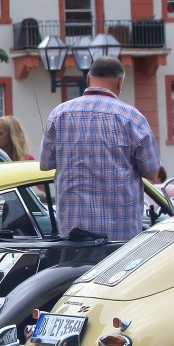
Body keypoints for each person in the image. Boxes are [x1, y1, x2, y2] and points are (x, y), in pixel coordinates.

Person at [38, 57, 162, 241]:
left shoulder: (59, 114)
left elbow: (45, 164)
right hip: (120, 236)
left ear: (88, 78)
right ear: (120, 82)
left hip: (74, 235)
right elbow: (152, 172)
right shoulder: (132, 117)